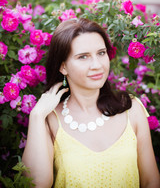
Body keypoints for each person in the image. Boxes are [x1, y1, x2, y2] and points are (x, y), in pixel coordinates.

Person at [22, 18, 160, 188]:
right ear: (63, 67)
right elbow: (36, 184)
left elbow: (151, 182)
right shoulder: (50, 120)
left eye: (101, 53)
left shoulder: (131, 109)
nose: (97, 65)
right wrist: (36, 115)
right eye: (83, 57)